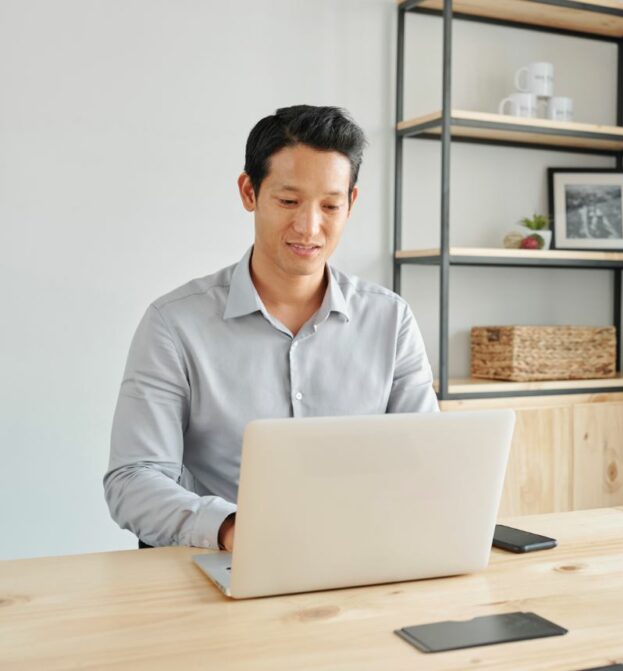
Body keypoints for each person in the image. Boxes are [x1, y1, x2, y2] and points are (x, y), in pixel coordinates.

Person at [104, 105, 438, 551]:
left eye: (330, 206)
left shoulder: (390, 320)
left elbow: (427, 462)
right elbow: (133, 479)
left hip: (359, 559)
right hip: (223, 564)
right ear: (249, 192)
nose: (309, 227)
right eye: (288, 201)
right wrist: (233, 530)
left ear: (351, 203)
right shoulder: (174, 324)